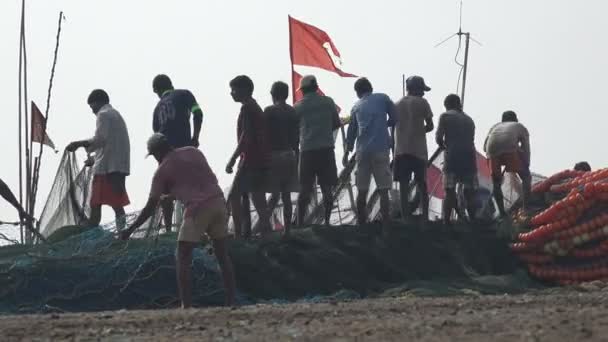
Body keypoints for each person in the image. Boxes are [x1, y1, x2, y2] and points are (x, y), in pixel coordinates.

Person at [120, 133, 236, 308]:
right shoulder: (193, 151)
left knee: (182, 255)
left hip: (197, 210)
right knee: (222, 255)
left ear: (158, 152)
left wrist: (131, 229)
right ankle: (231, 302)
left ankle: (186, 305)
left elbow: (150, 206)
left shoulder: (162, 171)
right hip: (219, 202)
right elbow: (200, 179)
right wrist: (174, 194)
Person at [66, 89, 130, 229]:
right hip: (117, 167)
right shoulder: (115, 115)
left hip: (106, 170)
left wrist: (79, 144)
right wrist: (94, 159)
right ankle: (122, 234)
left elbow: (100, 139)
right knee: (117, 205)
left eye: (92, 106)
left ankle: (90, 235)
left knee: (95, 206)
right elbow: (110, 145)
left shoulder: (103, 115)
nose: (92, 110)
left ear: (99, 102)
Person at [152, 74, 204, 232]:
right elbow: (198, 113)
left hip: (166, 156)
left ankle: (168, 230)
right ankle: (195, 226)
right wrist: (195, 137)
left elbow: (156, 136)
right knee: (192, 188)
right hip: (185, 151)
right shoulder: (184, 94)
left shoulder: (157, 108)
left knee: (167, 192)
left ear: (156, 90)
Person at [344, 77, 395, 230]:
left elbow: (351, 132)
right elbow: (395, 117)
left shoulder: (356, 106)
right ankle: (386, 225)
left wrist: (346, 152)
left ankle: (362, 225)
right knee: (384, 190)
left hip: (362, 151)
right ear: (371, 88)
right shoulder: (383, 98)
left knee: (362, 190)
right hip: (381, 149)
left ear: (358, 92)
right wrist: (384, 125)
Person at [225, 75, 272, 238]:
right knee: (257, 197)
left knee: (234, 196)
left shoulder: (247, 108)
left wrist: (233, 159)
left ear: (244, 90)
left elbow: (246, 137)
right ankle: (266, 231)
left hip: (250, 159)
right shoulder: (254, 107)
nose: (231, 93)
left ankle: (238, 235)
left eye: (234, 89)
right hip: (259, 159)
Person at [295, 75, 340, 226]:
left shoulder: (298, 106)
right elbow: (336, 123)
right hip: (326, 150)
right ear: (316, 87)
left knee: (304, 190)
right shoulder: (328, 102)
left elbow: (294, 130)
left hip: (307, 151)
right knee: (327, 189)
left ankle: (300, 224)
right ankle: (327, 222)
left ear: (303, 90)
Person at [392, 76, 434, 223]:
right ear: (416, 89)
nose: (423, 93)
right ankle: (424, 217)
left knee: (403, 185)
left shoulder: (396, 104)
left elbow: (393, 128)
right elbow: (430, 126)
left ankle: (405, 218)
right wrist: (418, 130)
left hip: (401, 149)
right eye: (422, 89)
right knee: (422, 183)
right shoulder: (423, 103)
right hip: (418, 150)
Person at [435, 94, 477, 225]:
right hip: (469, 158)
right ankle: (472, 221)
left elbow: (438, 138)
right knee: (469, 191)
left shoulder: (445, 116)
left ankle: (446, 222)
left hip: (452, 157)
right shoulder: (469, 120)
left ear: (447, 106)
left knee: (449, 190)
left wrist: (443, 146)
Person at [264, 81, 299, 234]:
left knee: (273, 194)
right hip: (290, 154)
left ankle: (264, 227)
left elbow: (263, 135)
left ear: (273, 95)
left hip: (274, 155)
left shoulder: (269, 111)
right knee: (286, 195)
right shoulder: (293, 112)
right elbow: (296, 136)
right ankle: (288, 230)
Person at [483, 110, 531, 216]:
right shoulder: (519, 126)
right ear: (515, 119)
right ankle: (526, 208)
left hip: (491, 149)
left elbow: (484, 146)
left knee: (496, 183)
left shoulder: (495, 127)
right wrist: (526, 164)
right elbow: (526, 147)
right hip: (509, 147)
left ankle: (502, 213)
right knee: (526, 178)